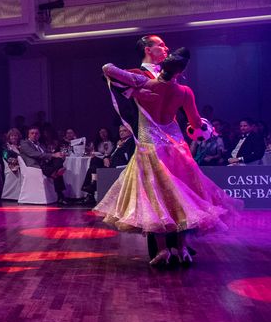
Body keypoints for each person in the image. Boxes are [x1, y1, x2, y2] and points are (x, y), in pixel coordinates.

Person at [95, 48, 242, 265]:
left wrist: (132, 80)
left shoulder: (142, 84)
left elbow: (107, 68)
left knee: (155, 199)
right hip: (177, 149)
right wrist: (206, 129)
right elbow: (195, 123)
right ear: (180, 73)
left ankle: (163, 250)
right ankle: (181, 249)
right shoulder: (184, 91)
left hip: (150, 149)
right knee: (181, 199)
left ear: (162, 68)